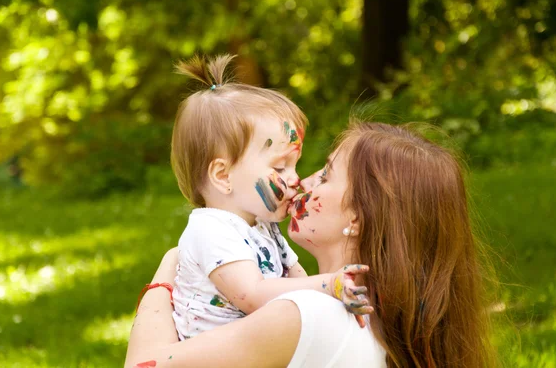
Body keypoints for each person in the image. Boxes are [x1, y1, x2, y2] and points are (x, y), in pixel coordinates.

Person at [126, 121, 494, 367]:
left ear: (357, 217)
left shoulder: (304, 314)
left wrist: (167, 272)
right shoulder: (381, 317)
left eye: (328, 173)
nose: (303, 182)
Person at [161, 55, 371, 341]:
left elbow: (298, 282)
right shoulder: (211, 230)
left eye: (294, 165)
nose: (296, 179)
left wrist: (337, 298)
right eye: (280, 167)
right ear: (223, 176)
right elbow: (254, 294)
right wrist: (329, 284)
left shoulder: (262, 227)